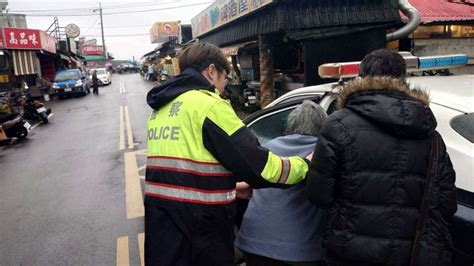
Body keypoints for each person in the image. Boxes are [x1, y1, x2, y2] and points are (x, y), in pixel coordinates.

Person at [145, 42, 310, 266]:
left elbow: (181, 173)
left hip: (163, 231)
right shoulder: (208, 105)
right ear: (212, 71)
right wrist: (305, 165)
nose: (223, 88)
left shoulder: (161, 109)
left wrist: (230, 189)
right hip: (201, 235)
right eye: (225, 78)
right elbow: (259, 167)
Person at [306, 49, 457, 266]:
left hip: (350, 252)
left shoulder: (338, 125)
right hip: (412, 254)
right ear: (403, 79)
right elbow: (446, 203)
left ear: (361, 77)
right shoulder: (431, 136)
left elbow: (319, 196)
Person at [235, 100, 328, 266]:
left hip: (252, 244)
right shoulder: (323, 152)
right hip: (301, 253)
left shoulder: (267, 148)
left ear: (290, 124)